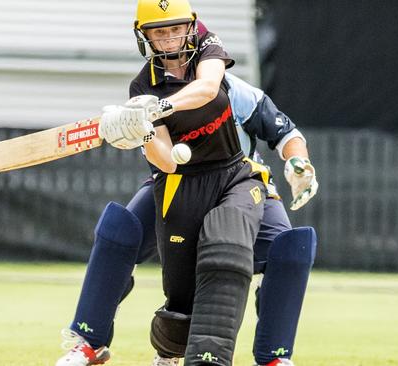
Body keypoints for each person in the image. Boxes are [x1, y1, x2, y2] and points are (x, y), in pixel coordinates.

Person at [57, 2, 318, 366]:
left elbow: (285, 131)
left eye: (176, 30)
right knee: (118, 233)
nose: (169, 41)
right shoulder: (142, 88)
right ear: (145, 37)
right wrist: (139, 132)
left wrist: (297, 161)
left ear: (192, 31)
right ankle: (89, 341)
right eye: (159, 32)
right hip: (177, 184)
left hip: (242, 183)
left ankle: (274, 357)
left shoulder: (228, 83)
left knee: (291, 250)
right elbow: (163, 160)